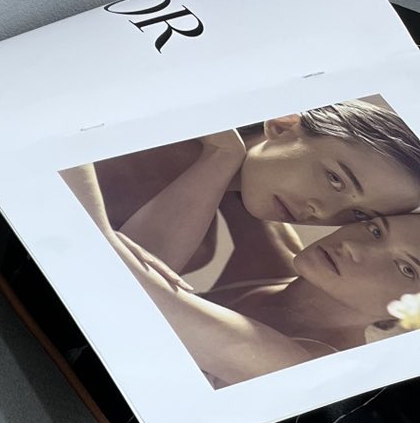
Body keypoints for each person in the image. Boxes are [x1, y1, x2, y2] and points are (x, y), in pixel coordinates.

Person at [63, 159, 420, 386]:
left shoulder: (313, 370)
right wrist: (227, 150)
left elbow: (131, 287)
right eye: (375, 230)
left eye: (406, 268)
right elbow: (253, 168)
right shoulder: (274, 261)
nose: (355, 247)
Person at [90, 101, 420, 294]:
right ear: (283, 125)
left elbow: (115, 288)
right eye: (335, 179)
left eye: (360, 215)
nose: (321, 212)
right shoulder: (148, 122)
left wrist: (224, 155)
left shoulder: (199, 246)